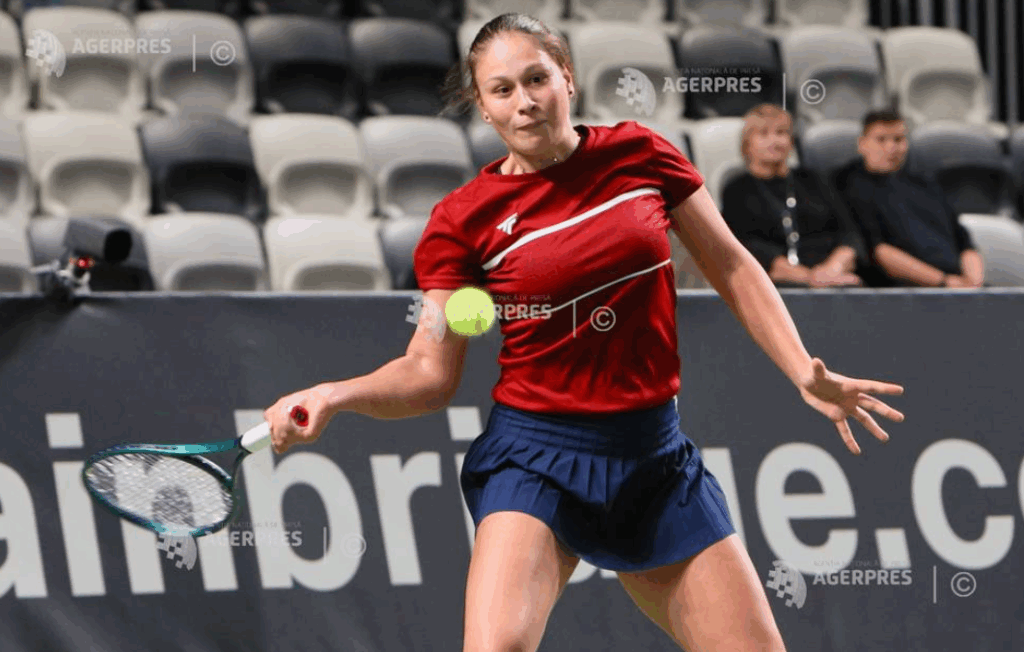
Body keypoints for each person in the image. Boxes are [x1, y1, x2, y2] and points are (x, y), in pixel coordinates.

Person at [264, 13, 905, 652]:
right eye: (502, 90)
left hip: (652, 456)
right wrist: (333, 395)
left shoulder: (641, 154)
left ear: (566, 77)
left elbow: (732, 264)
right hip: (536, 455)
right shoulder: (464, 223)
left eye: (536, 78)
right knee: (498, 648)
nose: (525, 102)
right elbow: (429, 372)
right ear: (484, 110)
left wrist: (801, 369)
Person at [721, 104, 875, 288]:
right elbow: (745, 247)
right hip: (772, 283)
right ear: (747, 144)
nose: (775, 141)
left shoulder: (814, 180)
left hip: (834, 277)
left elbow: (849, 234)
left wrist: (833, 268)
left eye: (781, 133)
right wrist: (810, 278)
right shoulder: (736, 190)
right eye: (763, 134)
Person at [834, 109, 985, 288]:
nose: (891, 148)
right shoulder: (847, 185)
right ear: (862, 144)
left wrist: (974, 283)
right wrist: (944, 281)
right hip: (905, 290)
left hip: (957, 284)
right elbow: (880, 253)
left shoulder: (925, 183)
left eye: (898, 139)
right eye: (881, 139)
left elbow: (965, 243)